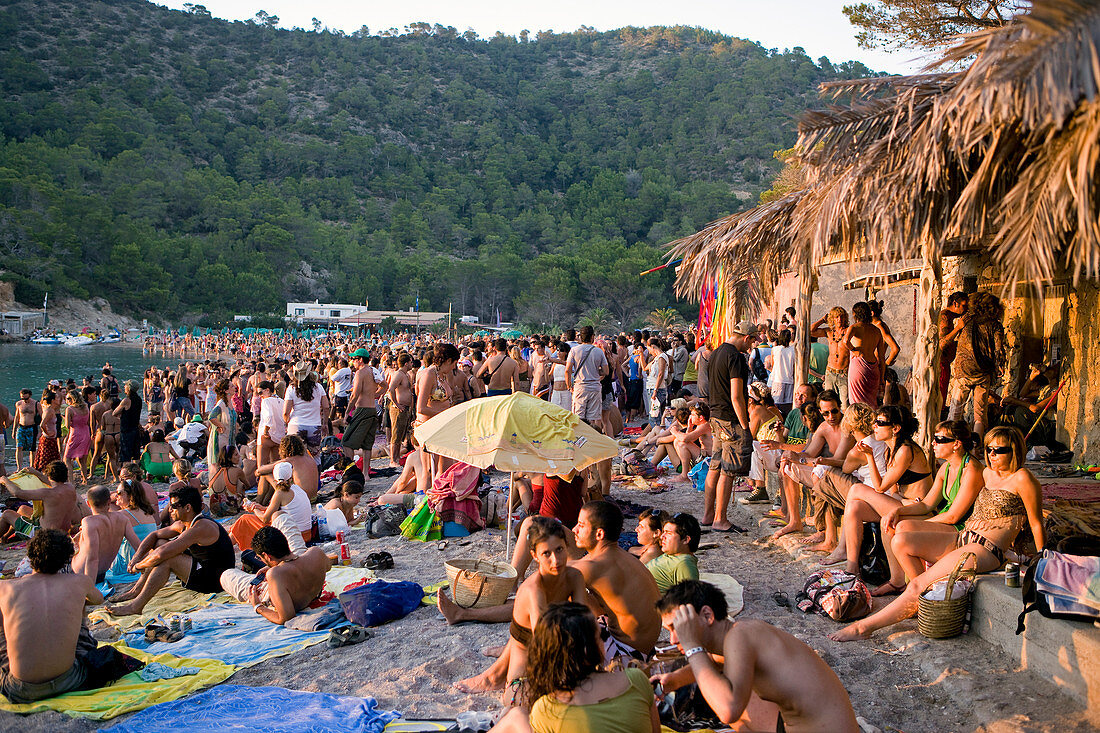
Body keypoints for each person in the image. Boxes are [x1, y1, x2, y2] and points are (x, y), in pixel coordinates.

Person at [830, 426, 1043, 641]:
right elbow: (928, 503)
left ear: (1014, 450)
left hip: (986, 548)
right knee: (901, 541)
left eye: (999, 450)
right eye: (988, 449)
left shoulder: (1022, 478)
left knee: (916, 584)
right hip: (964, 537)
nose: (992, 454)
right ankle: (920, 599)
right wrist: (900, 510)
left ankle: (865, 627)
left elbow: (1035, 523)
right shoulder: (987, 473)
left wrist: (1042, 559)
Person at [654, 580, 859, 732]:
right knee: (724, 691)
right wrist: (673, 680)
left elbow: (728, 710)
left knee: (725, 701)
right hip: (805, 722)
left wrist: (692, 647)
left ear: (707, 615)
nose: (673, 639)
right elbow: (716, 661)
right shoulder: (740, 634)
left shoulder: (740, 635)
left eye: (678, 627)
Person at [456, 518, 592, 702]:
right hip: (528, 674)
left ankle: (496, 672)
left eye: (559, 550)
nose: (556, 560)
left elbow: (584, 622)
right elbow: (545, 643)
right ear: (535, 556)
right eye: (546, 554)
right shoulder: (534, 589)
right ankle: (496, 676)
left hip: (559, 657)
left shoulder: (574, 576)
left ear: (567, 547)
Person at [491, 603, 661, 733]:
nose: (603, 642)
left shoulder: (547, 709)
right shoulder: (636, 679)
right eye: (600, 637)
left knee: (517, 716)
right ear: (590, 649)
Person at [0, 530, 105, 703]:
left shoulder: (6, 587)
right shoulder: (79, 582)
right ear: (66, 558)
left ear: (30, 556)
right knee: (80, 609)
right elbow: (98, 599)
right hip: (69, 680)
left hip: (19, 689)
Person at [836, 405, 933, 593]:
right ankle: (853, 567)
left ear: (895, 428)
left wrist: (869, 456)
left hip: (919, 511)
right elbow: (894, 490)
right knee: (855, 507)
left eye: (880, 423)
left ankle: (894, 580)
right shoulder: (892, 450)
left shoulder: (905, 450)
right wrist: (902, 501)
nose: (874, 426)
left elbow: (880, 487)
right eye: (875, 422)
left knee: (856, 489)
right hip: (904, 504)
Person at [879, 420, 985, 589]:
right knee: (892, 521)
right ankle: (911, 585)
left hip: (963, 528)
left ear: (956, 444)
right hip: (946, 521)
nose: (933, 443)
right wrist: (898, 511)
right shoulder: (946, 467)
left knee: (903, 528)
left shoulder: (971, 470)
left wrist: (917, 525)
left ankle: (922, 589)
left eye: (940, 439)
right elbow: (927, 504)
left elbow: (954, 516)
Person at [106, 485, 236, 616]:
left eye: (174, 506)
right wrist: (136, 558)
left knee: (168, 558)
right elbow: (154, 535)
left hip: (215, 580)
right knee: (159, 542)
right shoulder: (183, 524)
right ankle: (136, 590)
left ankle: (136, 606)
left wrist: (138, 566)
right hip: (201, 568)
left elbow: (161, 554)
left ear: (187, 508)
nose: (169, 510)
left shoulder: (201, 527)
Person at [703, 320, 756, 532]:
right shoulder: (735, 356)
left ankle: (708, 515)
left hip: (716, 416)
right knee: (728, 470)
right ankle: (720, 519)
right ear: (746, 337)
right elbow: (736, 396)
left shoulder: (716, 353)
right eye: (752, 341)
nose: (752, 346)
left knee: (715, 465)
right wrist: (745, 424)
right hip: (730, 419)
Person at [219, 526, 331, 625]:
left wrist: (258, 606)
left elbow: (286, 618)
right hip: (312, 594)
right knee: (280, 516)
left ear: (267, 556)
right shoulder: (316, 553)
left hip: (276, 596)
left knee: (226, 575)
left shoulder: (275, 574)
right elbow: (328, 566)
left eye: (260, 558)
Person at [948, 291, 1006, 438]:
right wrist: (1000, 365)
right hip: (983, 370)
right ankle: (976, 445)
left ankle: (949, 439)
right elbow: (999, 349)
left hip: (964, 369)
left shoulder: (966, 320)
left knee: (956, 407)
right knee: (980, 413)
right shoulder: (995, 325)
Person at [229, 461, 312, 552]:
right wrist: (262, 508)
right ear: (290, 476)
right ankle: (228, 537)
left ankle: (227, 544)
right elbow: (286, 508)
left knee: (244, 519)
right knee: (242, 522)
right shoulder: (297, 488)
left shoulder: (280, 493)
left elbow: (265, 519)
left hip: (292, 536)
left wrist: (254, 508)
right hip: (307, 534)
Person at [71, 485, 138, 583]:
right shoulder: (122, 519)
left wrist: (90, 589)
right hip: (101, 574)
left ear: (88, 504)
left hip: (83, 574)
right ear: (108, 502)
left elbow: (92, 559)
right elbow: (139, 546)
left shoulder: (89, 522)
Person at [0, 462, 81, 541]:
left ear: (48, 475)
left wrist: (5, 480)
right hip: (63, 531)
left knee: (7, 514)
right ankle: (5, 537)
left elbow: (17, 493)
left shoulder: (47, 493)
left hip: (43, 534)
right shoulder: (70, 488)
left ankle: (5, 536)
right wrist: (36, 473)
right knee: (23, 508)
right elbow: (52, 482)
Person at [104, 478, 159, 586]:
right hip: (146, 561)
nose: (116, 496)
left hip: (128, 565)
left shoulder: (123, 515)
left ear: (130, 495)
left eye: (119, 493)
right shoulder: (147, 513)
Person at [341, 349, 380, 469]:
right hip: (372, 409)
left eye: (354, 359)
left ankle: (351, 470)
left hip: (362, 410)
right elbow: (385, 385)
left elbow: (355, 394)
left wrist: (347, 412)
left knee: (346, 441)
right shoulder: (373, 371)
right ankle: (365, 473)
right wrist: (374, 395)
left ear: (360, 360)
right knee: (367, 445)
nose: (352, 362)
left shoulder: (360, 373)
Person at [646, 512, 701, 593]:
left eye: (668, 533)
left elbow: (690, 599)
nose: (662, 537)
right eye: (663, 532)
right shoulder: (672, 555)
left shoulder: (684, 563)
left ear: (685, 540)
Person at [566, 327, 610, 428]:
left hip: (580, 387)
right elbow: (606, 371)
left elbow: (567, 370)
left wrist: (569, 386)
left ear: (580, 337)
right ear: (592, 337)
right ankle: (591, 441)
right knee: (593, 419)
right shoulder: (598, 351)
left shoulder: (574, 350)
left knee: (578, 418)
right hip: (595, 387)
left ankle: (580, 440)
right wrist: (595, 370)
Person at [845, 302, 886, 408]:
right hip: (873, 368)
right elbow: (881, 357)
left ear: (854, 314)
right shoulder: (876, 330)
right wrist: (882, 378)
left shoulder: (854, 327)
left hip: (859, 367)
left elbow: (845, 341)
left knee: (857, 405)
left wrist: (854, 350)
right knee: (872, 404)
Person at [810, 307, 850, 408]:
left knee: (844, 405)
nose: (839, 319)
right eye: (836, 317)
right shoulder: (828, 332)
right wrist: (822, 320)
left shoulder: (849, 332)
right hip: (830, 373)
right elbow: (810, 331)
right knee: (828, 403)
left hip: (843, 373)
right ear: (832, 319)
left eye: (841, 317)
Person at [938, 291, 969, 415]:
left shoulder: (950, 318)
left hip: (944, 365)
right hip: (940, 366)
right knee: (939, 402)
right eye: (964, 306)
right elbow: (941, 344)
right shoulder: (945, 318)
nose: (966, 309)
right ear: (955, 303)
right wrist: (958, 328)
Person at [284, 361, 329, 448]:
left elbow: (286, 412)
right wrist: (325, 423)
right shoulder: (318, 387)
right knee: (315, 455)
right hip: (314, 425)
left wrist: (287, 422)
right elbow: (326, 407)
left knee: (295, 456)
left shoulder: (291, 389)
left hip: (296, 424)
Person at [386, 353, 414, 468]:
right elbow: (391, 389)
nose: (412, 364)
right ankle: (393, 460)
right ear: (406, 363)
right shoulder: (399, 374)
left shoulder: (405, 374)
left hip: (405, 408)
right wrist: (396, 404)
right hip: (398, 408)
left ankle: (396, 458)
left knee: (400, 434)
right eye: (411, 362)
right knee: (396, 435)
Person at [205, 378, 237, 471]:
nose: (234, 387)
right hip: (220, 439)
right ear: (226, 390)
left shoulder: (229, 402)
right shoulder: (221, 403)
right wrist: (221, 425)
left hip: (229, 438)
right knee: (220, 463)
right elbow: (211, 416)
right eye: (231, 386)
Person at [62, 390, 93, 483]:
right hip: (86, 433)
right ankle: (85, 480)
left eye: (68, 398)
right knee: (83, 459)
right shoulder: (86, 407)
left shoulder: (70, 409)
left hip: (75, 434)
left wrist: (63, 417)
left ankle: (71, 481)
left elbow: (67, 425)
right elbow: (88, 421)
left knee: (67, 458)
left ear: (72, 399)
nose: (66, 400)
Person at [207, 444, 245, 517]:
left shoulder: (213, 467)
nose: (239, 456)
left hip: (215, 509)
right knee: (240, 483)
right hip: (231, 508)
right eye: (236, 455)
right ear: (229, 458)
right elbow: (248, 485)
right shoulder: (237, 470)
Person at [113, 381, 143, 463]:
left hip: (127, 430)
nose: (124, 387)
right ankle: (136, 473)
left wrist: (120, 416)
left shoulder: (126, 400)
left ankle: (127, 473)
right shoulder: (139, 399)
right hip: (135, 429)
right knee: (136, 454)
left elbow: (114, 412)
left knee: (126, 455)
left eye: (125, 385)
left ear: (129, 388)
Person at [33, 390, 60, 471]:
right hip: (48, 439)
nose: (58, 400)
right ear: (52, 400)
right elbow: (42, 424)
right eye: (57, 398)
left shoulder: (51, 409)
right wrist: (47, 433)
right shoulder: (49, 410)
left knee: (51, 462)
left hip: (50, 439)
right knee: (46, 462)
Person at [12, 389, 38, 471]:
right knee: (19, 447)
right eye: (23, 398)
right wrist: (14, 430)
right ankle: (19, 467)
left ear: (29, 395)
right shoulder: (19, 404)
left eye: (26, 399)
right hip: (21, 427)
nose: (25, 400)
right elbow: (16, 417)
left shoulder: (36, 404)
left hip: (32, 427)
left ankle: (32, 467)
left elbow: (41, 417)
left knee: (32, 449)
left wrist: (41, 430)